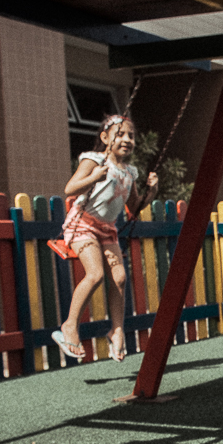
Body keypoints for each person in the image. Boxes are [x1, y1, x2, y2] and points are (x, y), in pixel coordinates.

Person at [51, 115, 158, 363]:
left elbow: (134, 206)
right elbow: (70, 189)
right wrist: (94, 178)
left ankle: (117, 330)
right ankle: (69, 326)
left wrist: (152, 190)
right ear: (105, 138)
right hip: (82, 224)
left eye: (130, 135)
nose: (127, 140)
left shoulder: (130, 172)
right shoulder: (93, 160)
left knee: (119, 277)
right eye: (120, 134)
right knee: (96, 274)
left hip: (107, 228)